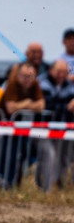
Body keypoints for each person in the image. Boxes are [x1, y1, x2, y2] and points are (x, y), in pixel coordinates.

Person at [0, 62, 45, 189]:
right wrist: (28, 103)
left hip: (20, 130)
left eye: (30, 76)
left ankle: (14, 184)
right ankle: (2, 182)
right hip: (5, 129)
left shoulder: (35, 85)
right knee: (7, 156)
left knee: (22, 156)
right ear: (18, 75)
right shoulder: (12, 85)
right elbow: (11, 108)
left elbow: (41, 105)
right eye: (24, 76)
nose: (27, 79)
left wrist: (23, 106)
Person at [38, 60, 74, 191]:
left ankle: (60, 187)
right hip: (43, 129)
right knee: (50, 155)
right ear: (51, 71)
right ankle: (47, 189)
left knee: (63, 157)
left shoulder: (69, 85)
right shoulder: (43, 83)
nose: (62, 75)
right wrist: (67, 106)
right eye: (59, 72)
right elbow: (49, 105)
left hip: (62, 129)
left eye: (65, 72)